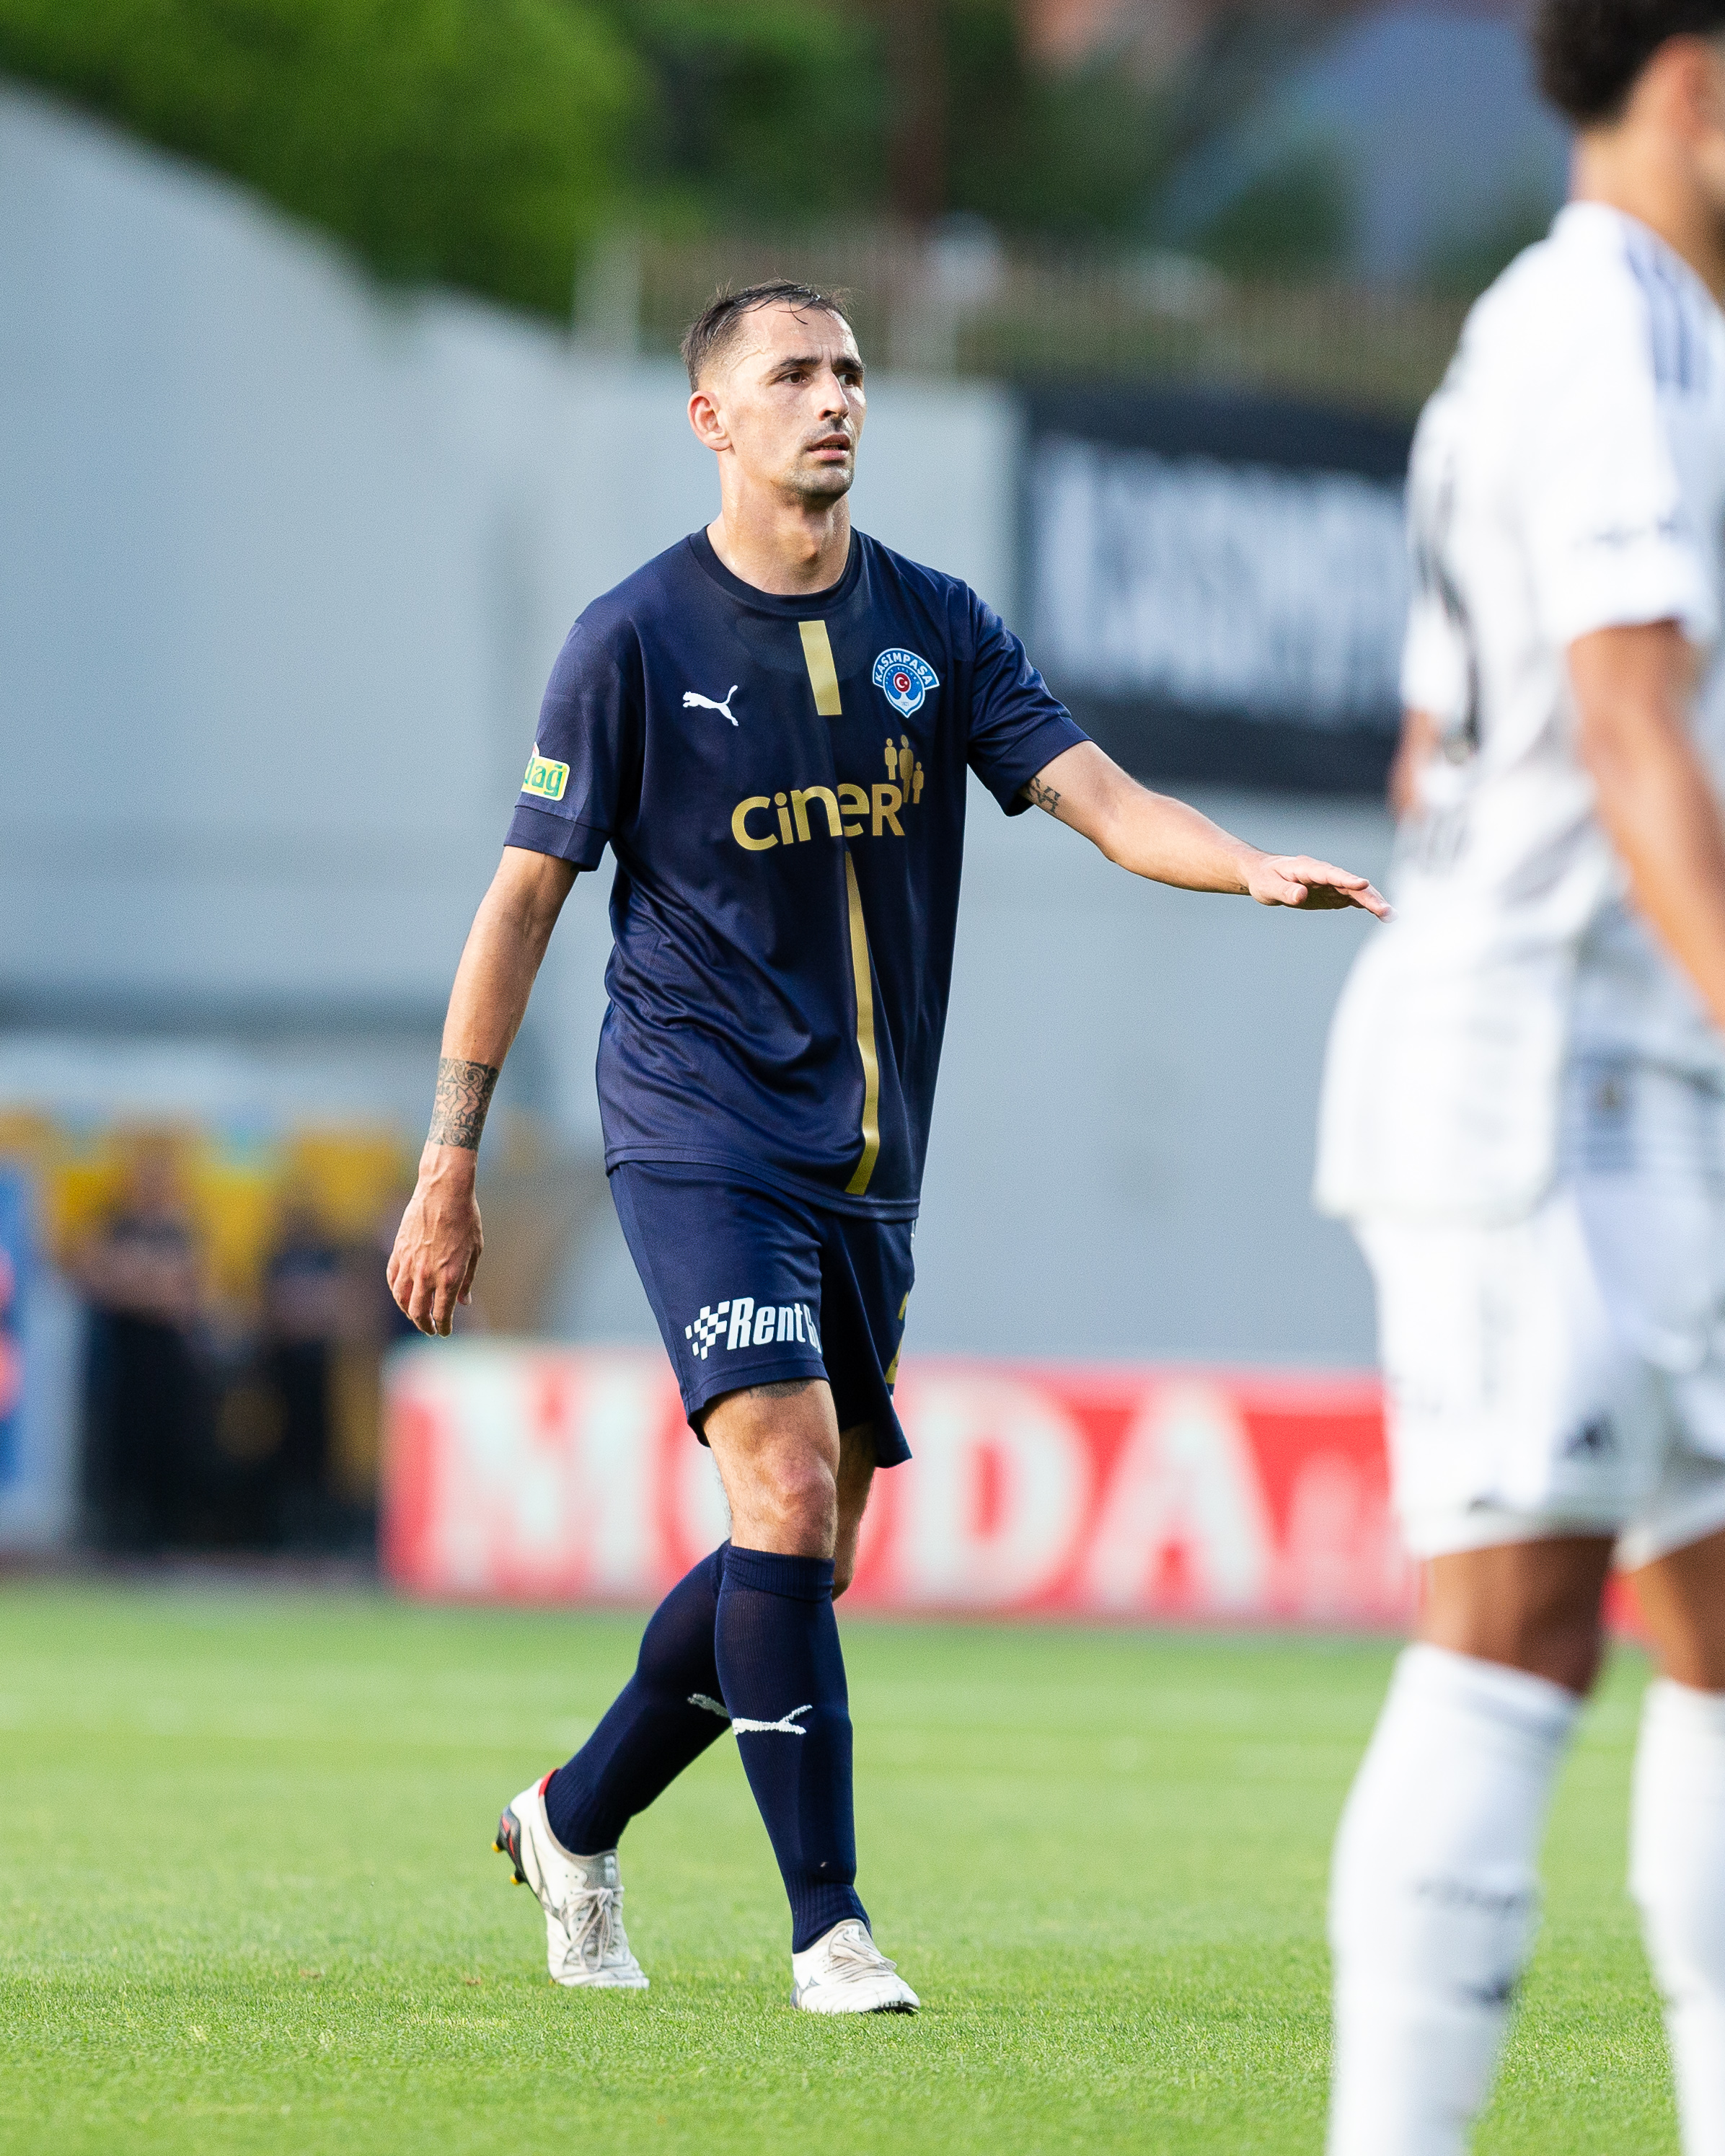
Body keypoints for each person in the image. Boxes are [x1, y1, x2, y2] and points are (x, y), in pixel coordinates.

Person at [389, 279, 1386, 2014]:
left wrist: (1241, 865)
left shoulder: (933, 624)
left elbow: (1101, 798)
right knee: (777, 1489)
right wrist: (446, 1159)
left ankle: (570, 1815)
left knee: (805, 1553)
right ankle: (827, 1927)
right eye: (792, 374)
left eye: (848, 371)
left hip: (865, 1159)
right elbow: (522, 900)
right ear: (711, 418)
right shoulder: (632, 641)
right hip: (695, 1125)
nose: (834, 397)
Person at [1314, 5, 1725, 2147]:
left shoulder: (1615, 332)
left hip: (1641, 1063)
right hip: (1542, 1072)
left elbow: (1438, 742)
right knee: (1519, 1622)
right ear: (1696, 92)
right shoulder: (1609, 324)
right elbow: (1627, 724)